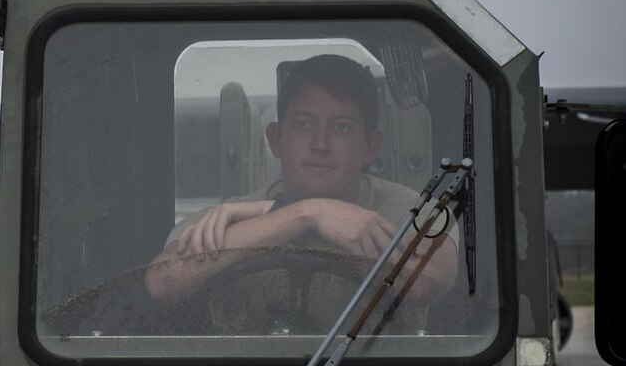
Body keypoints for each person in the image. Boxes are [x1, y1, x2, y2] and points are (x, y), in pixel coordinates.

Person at [144, 54, 456, 306]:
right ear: (276, 139)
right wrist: (306, 214)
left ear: (370, 146)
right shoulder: (226, 215)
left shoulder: (409, 210)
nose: (320, 144)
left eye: (341, 127)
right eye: (304, 125)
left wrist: (281, 213)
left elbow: (426, 282)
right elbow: (163, 283)